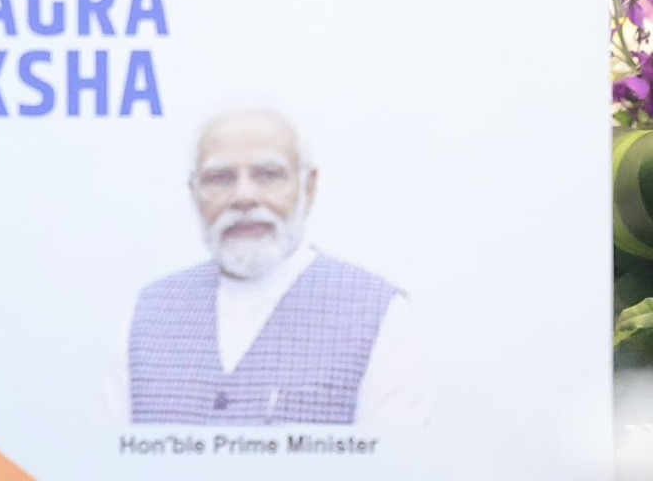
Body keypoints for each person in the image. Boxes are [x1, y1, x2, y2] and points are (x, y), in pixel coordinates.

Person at [103, 108, 429, 426]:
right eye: (219, 178)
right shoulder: (146, 313)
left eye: (269, 175)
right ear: (194, 192)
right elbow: (103, 454)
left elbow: (395, 458)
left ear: (309, 188)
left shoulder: (380, 313)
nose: (243, 196)